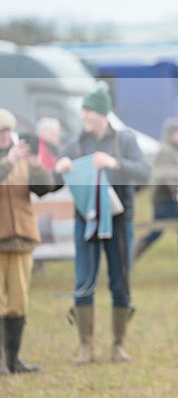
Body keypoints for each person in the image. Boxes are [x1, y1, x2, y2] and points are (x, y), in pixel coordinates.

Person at [54, 86, 150, 363]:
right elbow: (53, 179)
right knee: (83, 281)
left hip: (119, 222)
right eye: (84, 110)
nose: (86, 116)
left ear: (103, 113)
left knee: (120, 283)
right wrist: (59, 168)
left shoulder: (125, 140)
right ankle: (85, 347)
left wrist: (115, 163)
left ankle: (118, 346)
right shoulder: (74, 144)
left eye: (91, 111)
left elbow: (144, 172)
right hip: (85, 222)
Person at [0, 108, 57, 374]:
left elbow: (44, 188)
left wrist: (35, 162)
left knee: (18, 303)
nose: (4, 137)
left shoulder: (23, 158)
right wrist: (9, 161)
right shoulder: (9, 161)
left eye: (6, 132)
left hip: (22, 239)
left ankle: (13, 360)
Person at [133, 117, 178, 269]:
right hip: (166, 199)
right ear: (171, 134)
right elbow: (166, 178)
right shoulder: (165, 151)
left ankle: (130, 258)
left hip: (167, 198)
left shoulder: (175, 150)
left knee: (155, 232)